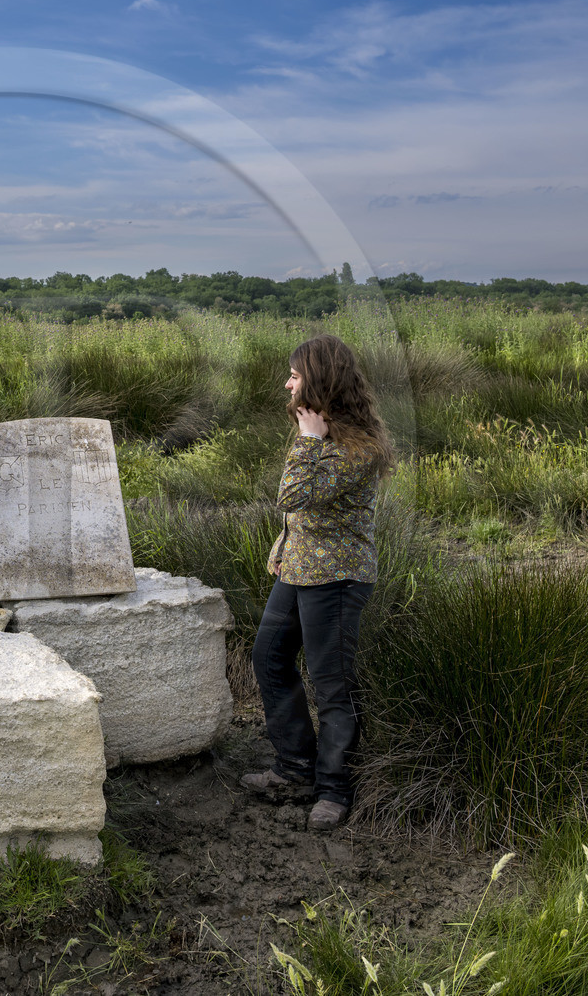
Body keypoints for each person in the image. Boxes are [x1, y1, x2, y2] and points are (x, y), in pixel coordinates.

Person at [239, 334, 393, 831]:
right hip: (298, 570)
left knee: (333, 685)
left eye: (295, 374)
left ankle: (334, 789)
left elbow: (293, 495)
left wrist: (307, 440)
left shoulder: (358, 448)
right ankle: (294, 766)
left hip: (337, 579)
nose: (287, 382)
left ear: (320, 380)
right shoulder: (322, 435)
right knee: (269, 656)